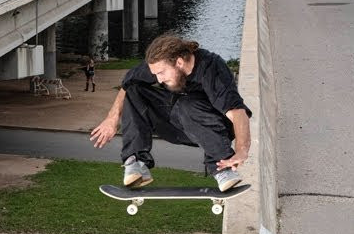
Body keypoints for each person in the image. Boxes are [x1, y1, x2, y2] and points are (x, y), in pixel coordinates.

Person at [89, 34, 250, 192]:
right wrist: (112, 118)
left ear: (179, 62)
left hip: (214, 128)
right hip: (177, 123)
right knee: (134, 91)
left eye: (161, 73)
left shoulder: (212, 68)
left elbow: (237, 113)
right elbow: (127, 85)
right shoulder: (158, 64)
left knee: (187, 104)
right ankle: (136, 163)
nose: (158, 80)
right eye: (155, 74)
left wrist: (242, 150)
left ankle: (223, 170)